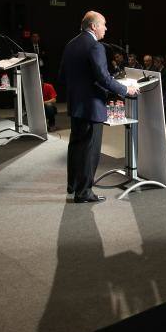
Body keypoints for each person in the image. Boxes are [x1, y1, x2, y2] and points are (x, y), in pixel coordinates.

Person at [59, 11, 139, 203]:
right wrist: (126, 90)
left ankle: (73, 185)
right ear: (93, 26)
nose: (106, 28)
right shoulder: (95, 46)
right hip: (91, 105)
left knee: (76, 145)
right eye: (103, 24)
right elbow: (102, 77)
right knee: (89, 149)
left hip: (76, 104)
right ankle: (84, 192)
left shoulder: (71, 44)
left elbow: (62, 75)